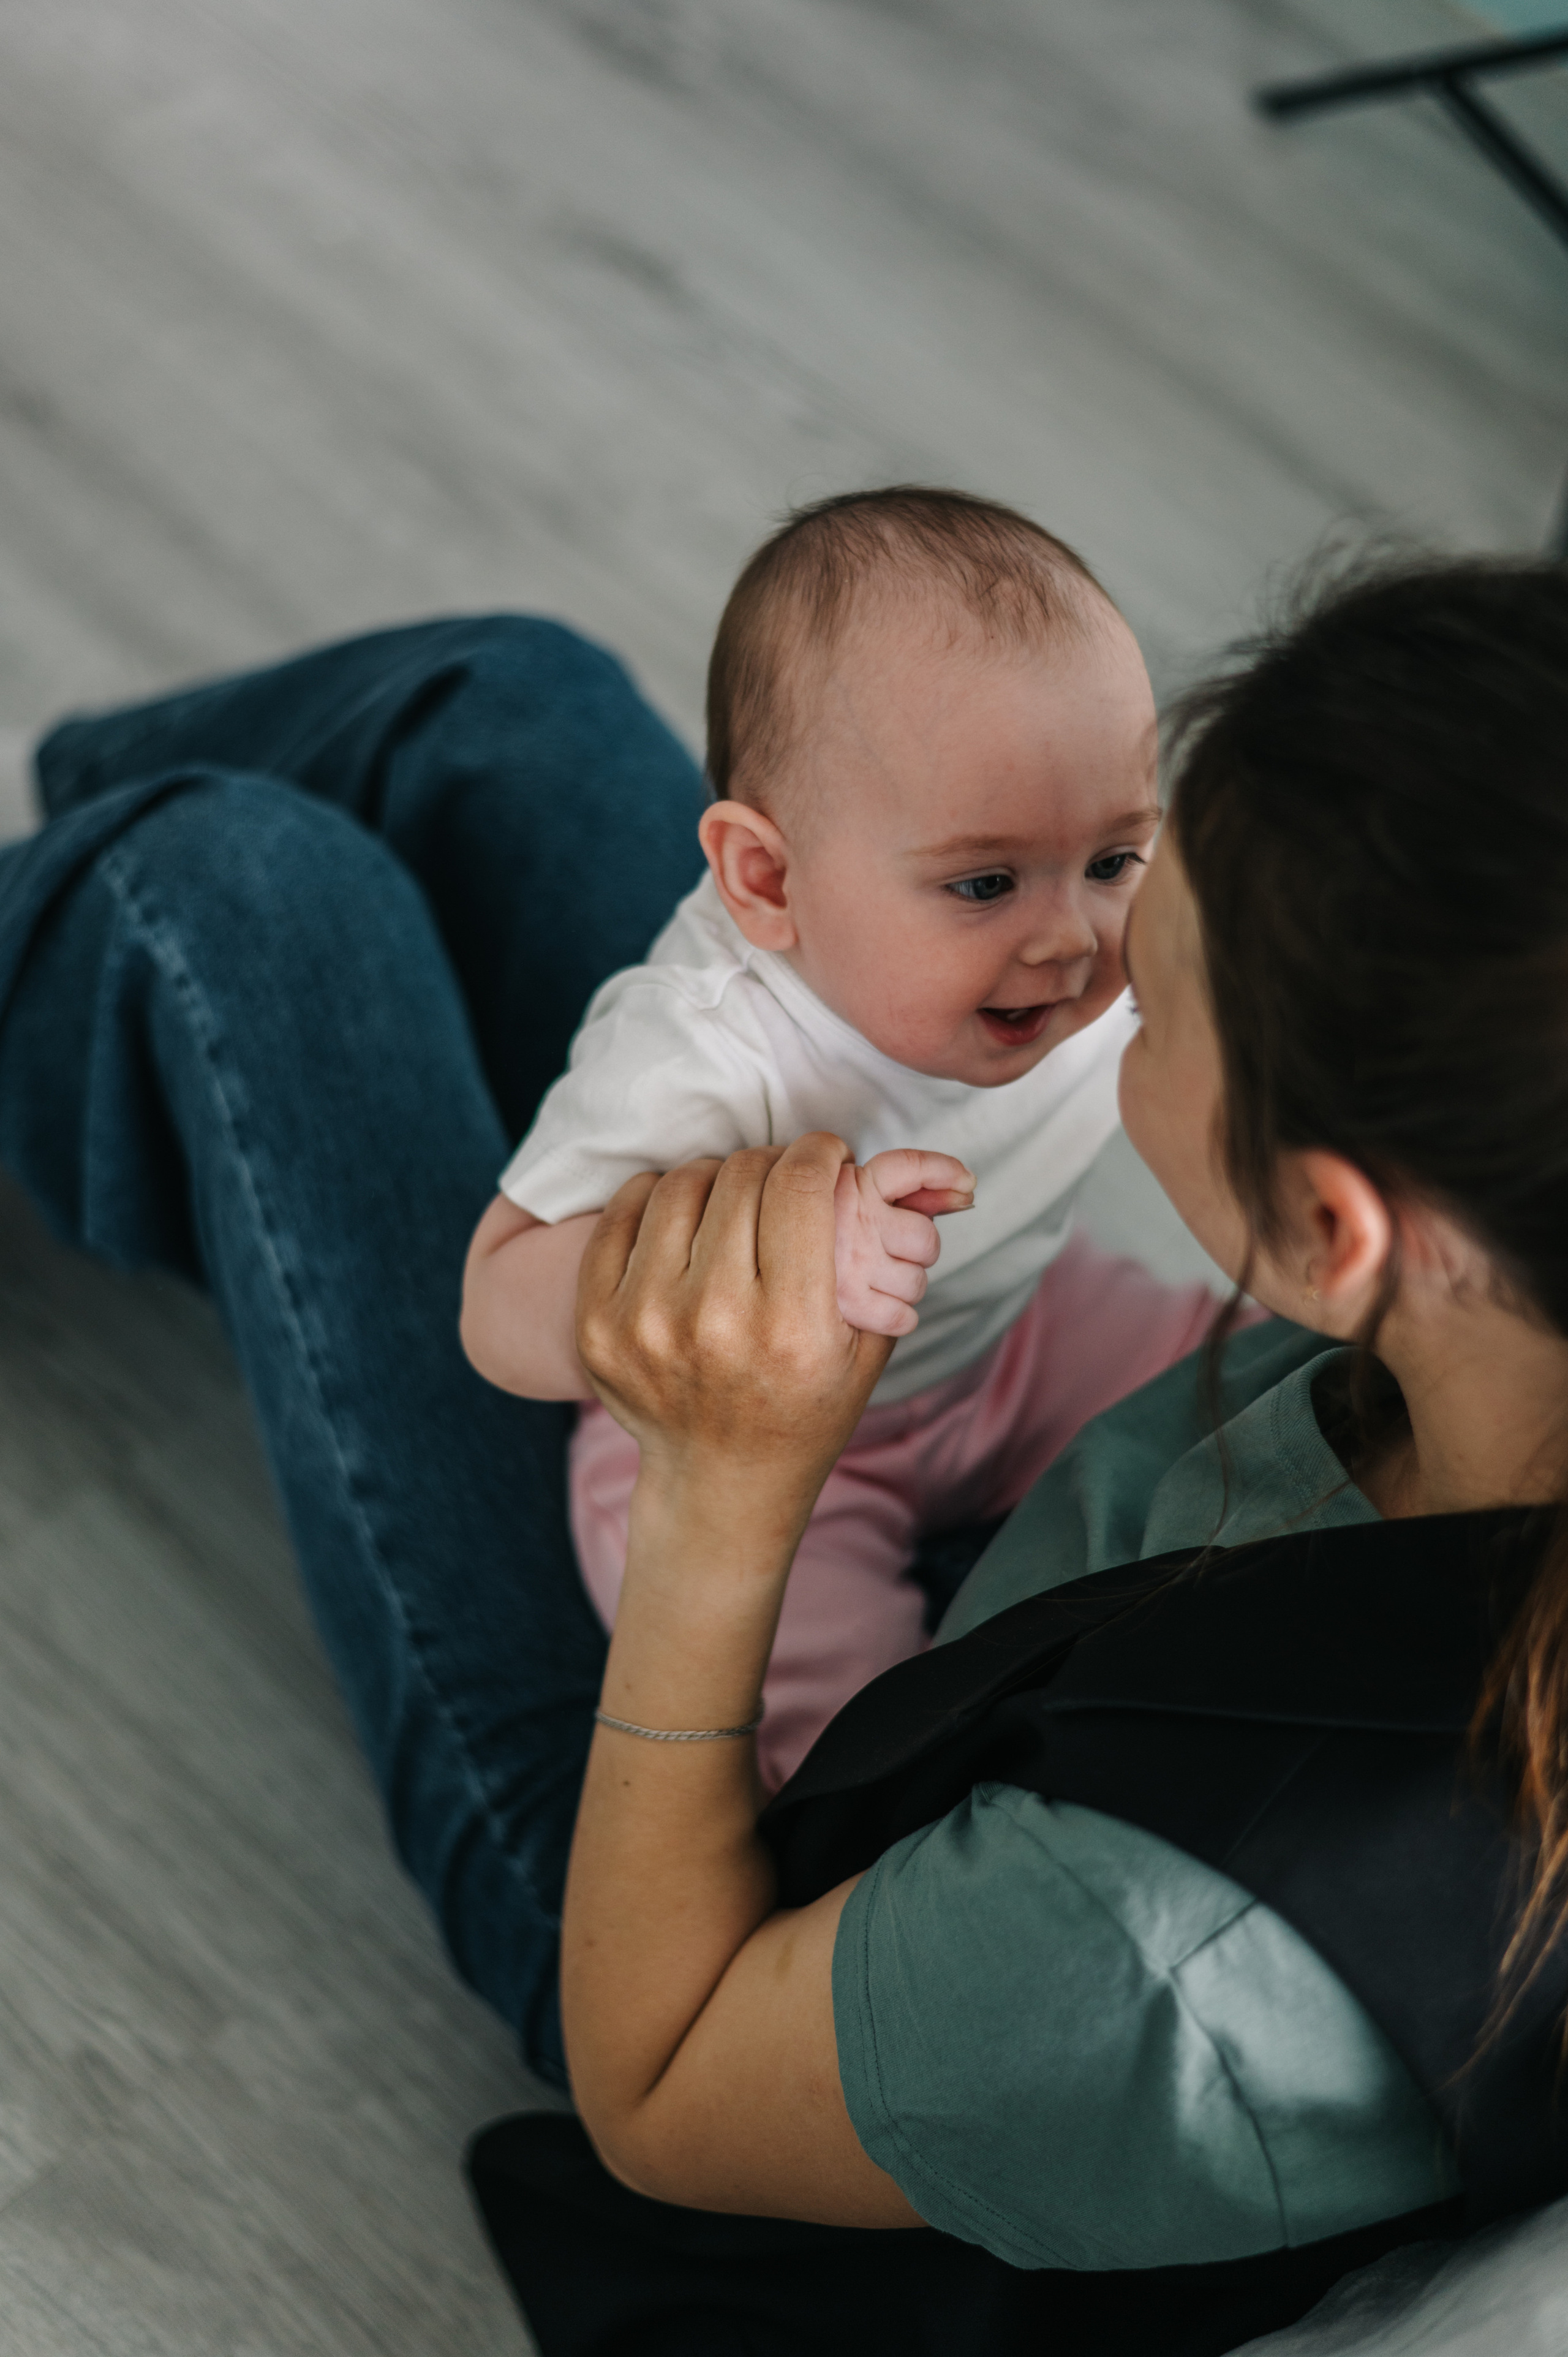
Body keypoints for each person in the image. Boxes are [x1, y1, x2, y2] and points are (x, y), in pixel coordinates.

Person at [6, 556, 1568, 2356]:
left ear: (1332, 1230)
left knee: (236, 892)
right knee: (507, 701)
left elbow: (662, 2090)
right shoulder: (1494, 1316)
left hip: (723, 1933)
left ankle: (72, 889)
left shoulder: (1157, 1977)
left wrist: (728, 1487)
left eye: (1150, 935)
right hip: (1005, 1605)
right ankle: (68, 792)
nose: (1090, 960)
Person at [464, 486, 1218, 1786]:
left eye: (1111, 858)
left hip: (1017, 1334)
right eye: (983, 883)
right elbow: (494, 1301)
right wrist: (751, 1253)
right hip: (756, 1454)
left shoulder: (1108, 942)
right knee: (850, 1731)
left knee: (1272, 1390)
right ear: (766, 881)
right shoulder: (707, 1048)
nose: (1068, 938)